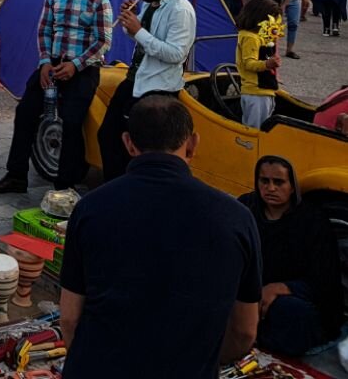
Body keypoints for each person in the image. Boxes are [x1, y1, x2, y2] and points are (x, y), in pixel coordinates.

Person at [60, 96, 261, 378]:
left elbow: (69, 319)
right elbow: (244, 331)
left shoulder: (89, 209)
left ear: (128, 143)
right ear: (192, 144)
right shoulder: (237, 218)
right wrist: (201, 360)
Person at [0, 0, 112, 193]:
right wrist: (44, 62)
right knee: (25, 112)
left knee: (72, 123)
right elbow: (45, 30)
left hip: (83, 69)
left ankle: (64, 185)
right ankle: (16, 175)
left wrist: (75, 66)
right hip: (52, 64)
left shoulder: (99, 0)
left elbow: (103, 41)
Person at [97, 0, 197, 182]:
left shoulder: (180, 10)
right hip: (136, 80)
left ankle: (132, 191)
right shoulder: (152, 2)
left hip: (157, 88)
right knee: (109, 135)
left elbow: (176, 54)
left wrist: (138, 31)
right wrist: (131, 21)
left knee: (140, 147)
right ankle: (116, 189)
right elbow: (141, 39)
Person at [238, 156, 344, 356]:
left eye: (279, 182)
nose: (270, 188)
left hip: (291, 298)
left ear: (293, 186)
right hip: (250, 290)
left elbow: (324, 282)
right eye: (264, 181)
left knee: (293, 313)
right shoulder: (246, 208)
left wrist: (280, 289)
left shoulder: (312, 221)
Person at [236, 0, 282, 129]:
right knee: (255, 128)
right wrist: (267, 64)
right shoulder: (250, 38)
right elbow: (249, 63)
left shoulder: (259, 38)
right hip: (256, 92)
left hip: (263, 91)